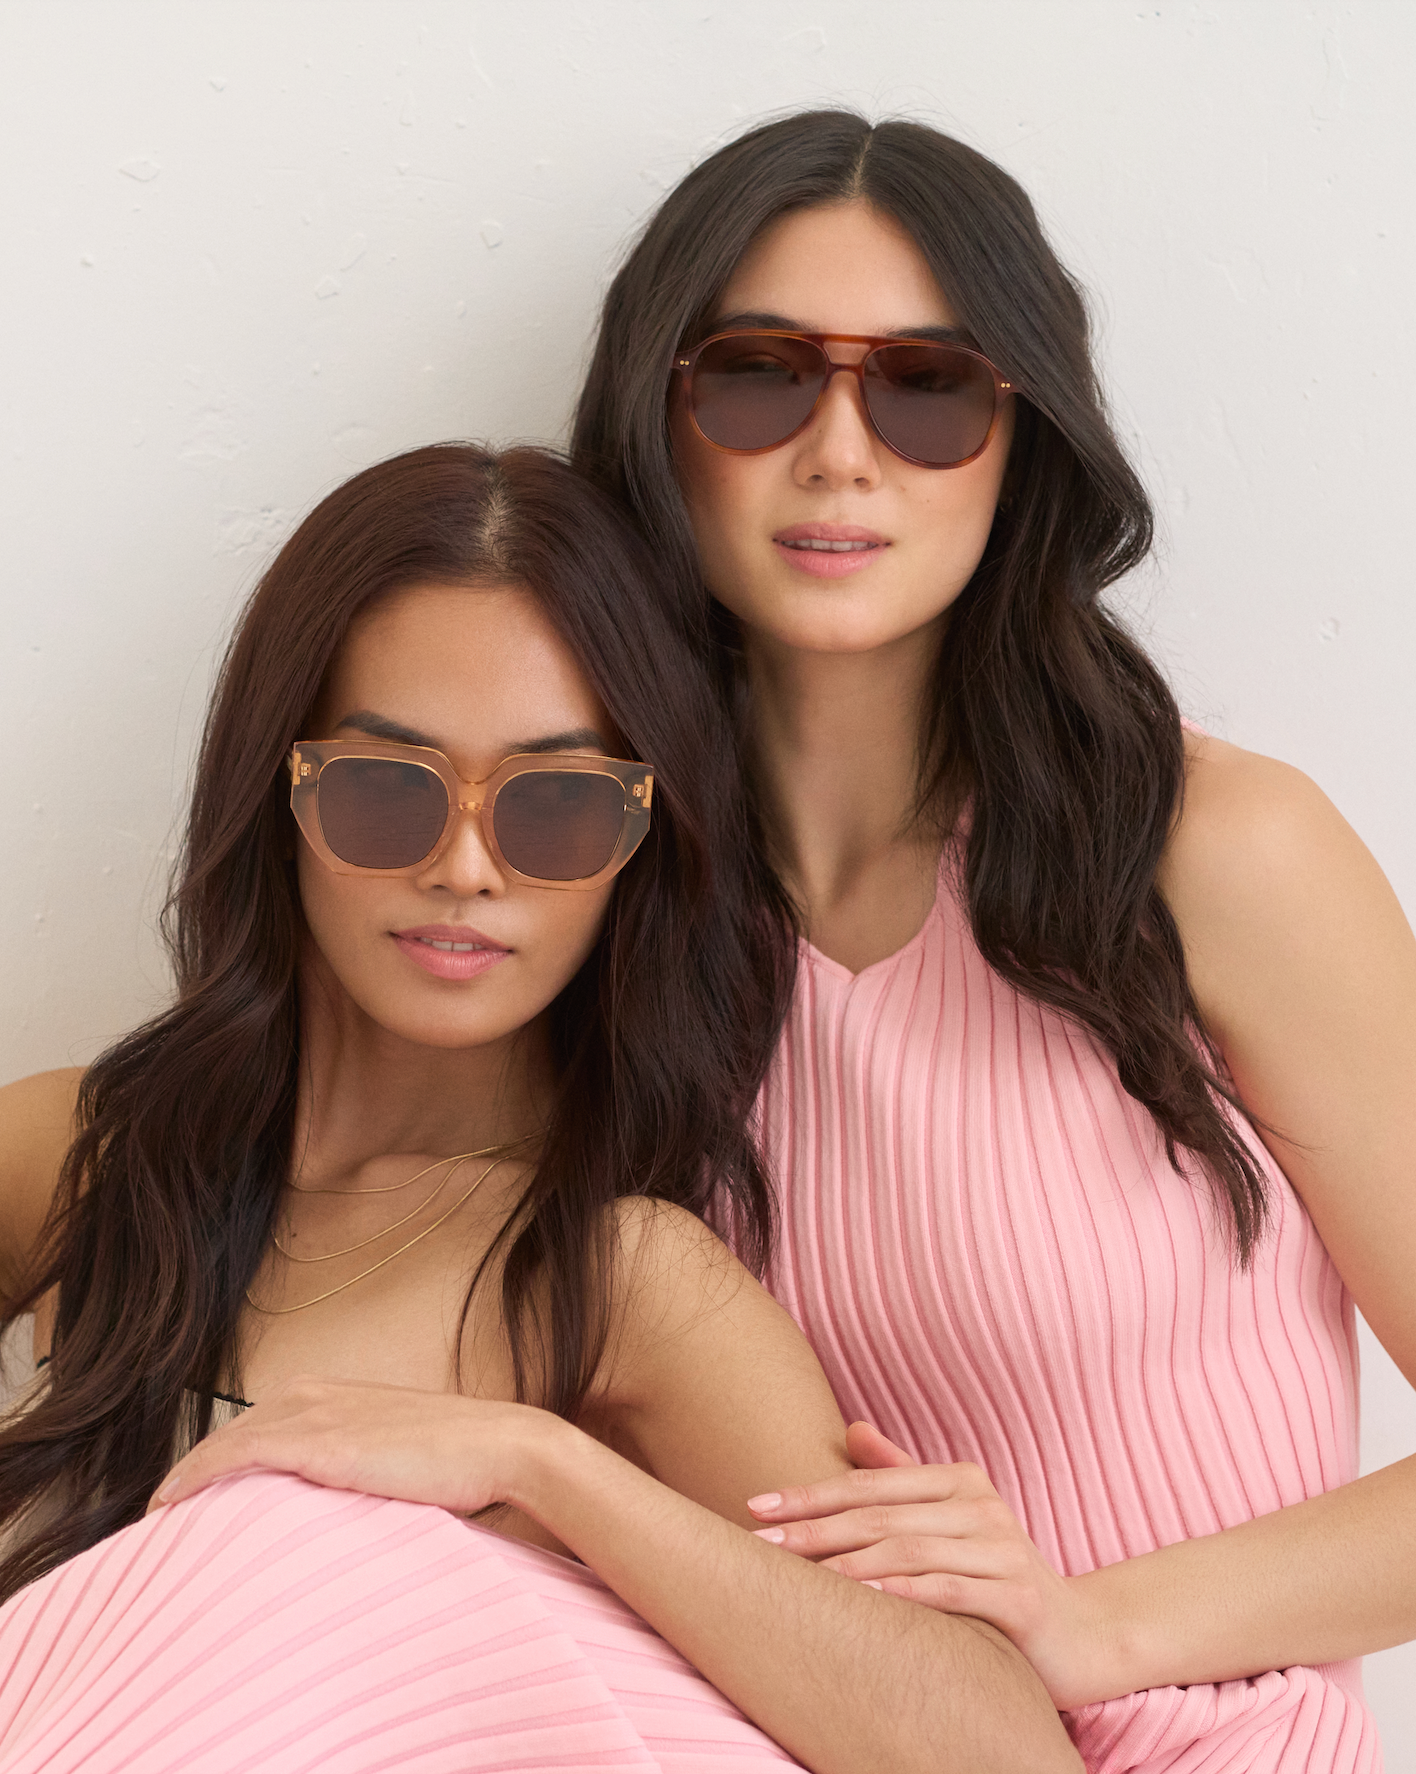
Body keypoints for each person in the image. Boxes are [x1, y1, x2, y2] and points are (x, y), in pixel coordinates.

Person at [0, 443, 1076, 1772]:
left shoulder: (624, 1281)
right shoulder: (72, 1157)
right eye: (387, 791)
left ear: (640, 841)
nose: (464, 868)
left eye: (555, 808)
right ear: (283, 801)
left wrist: (539, 1464)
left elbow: (1005, 1754)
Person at [570, 109, 1416, 1769]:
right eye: (757, 375)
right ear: (659, 423)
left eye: (927, 387)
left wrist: (1092, 1620)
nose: (839, 452)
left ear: (1024, 438)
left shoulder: (1210, 854)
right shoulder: (600, 895)